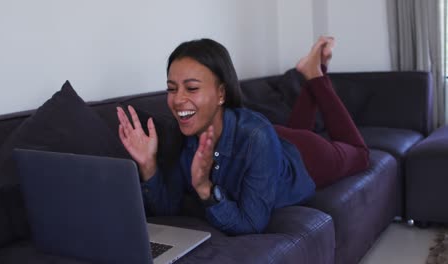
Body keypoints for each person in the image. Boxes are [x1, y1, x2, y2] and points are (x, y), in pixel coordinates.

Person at [116, 37, 369, 235]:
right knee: (297, 128)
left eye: (191, 88)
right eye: (172, 88)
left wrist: (205, 189)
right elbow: (167, 210)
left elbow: (251, 223)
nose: (178, 99)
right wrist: (148, 165)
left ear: (222, 94)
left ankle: (315, 73)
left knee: (359, 154)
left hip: (304, 157)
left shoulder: (256, 138)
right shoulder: (188, 134)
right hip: (268, 139)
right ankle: (311, 69)